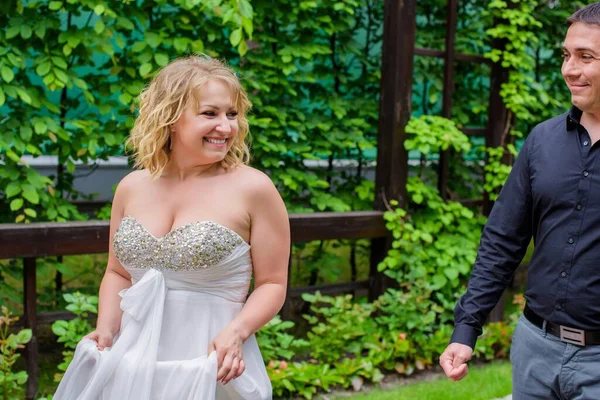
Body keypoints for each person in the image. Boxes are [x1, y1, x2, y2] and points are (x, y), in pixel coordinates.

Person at [54, 56, 290, 400]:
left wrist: (237, 332)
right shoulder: (132, 187)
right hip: (131, 361)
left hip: (211, 362)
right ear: (171, 117)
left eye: (232, 114)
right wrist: (106, 328)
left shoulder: (254, 189)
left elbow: (273, 283)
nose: (225, 126)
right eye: (210, 114)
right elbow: (118, 273)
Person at [440, 3, 600, 399]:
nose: (569, 69)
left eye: (586, 57)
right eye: (566, 55)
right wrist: (466, 329)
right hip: (534, 350)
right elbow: (502, 240)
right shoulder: (542, 141)